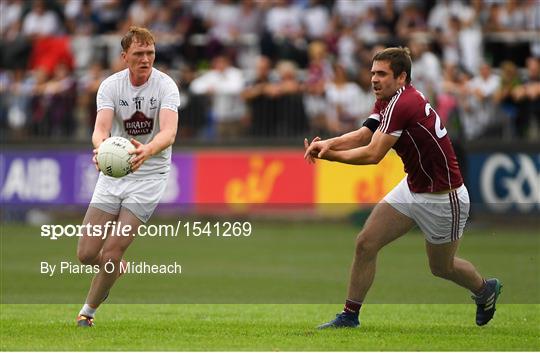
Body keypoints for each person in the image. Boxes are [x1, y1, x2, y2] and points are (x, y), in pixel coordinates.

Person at [304, 47, 501, 329]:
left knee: (441, 268)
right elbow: (363, 134)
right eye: (373, 73)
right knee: (365, 243)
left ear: (401, 77)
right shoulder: (387, 99)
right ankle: (349, 316)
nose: (374, 79)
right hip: (412, 188)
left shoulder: (402, 103)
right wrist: (328, 143)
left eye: (382, 74)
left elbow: (373, 154)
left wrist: (329, 155)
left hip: (444, 198)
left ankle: (485, 289)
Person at [76, 26, 180, 327]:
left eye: (150, 53)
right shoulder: (110, 86)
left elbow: (169, 132)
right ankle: (115, 269)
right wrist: (100, 150)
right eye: (139, 53)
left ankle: (88, 313)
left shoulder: (166, 86)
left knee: (111, 251)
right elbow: (101, 129)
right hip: (116, 170)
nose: (146, 59)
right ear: (125, 57)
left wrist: (146, 151)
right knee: (86, 253)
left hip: (149, 175)